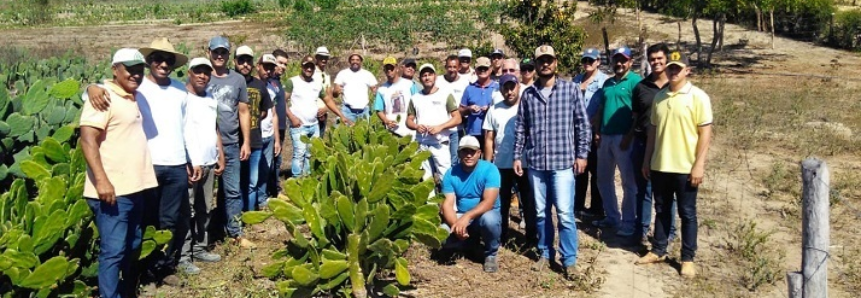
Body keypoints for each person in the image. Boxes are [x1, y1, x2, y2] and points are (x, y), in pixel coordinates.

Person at [86, 38, 193, 284]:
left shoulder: (179, 90)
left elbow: (188, 125)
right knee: (146, 222)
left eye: (168, 60)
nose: (163, 63)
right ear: (150, 62)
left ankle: (162, 270)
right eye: (157, 59)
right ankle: (140, 272)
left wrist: (190, 159)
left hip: (176, 163)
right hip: (147, 166)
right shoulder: (138, 86)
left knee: (168, 221)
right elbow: (101, 92)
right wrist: (90, 87)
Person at [80, 48, 158, 298]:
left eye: (139, 70)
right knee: (113, 251)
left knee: (133, 244)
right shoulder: (102, 98)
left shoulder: (133, 96)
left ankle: (124, 292)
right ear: (115, 70)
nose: (136, 74)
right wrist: (102, 181)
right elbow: (87, 139)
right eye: (130, 69)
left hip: (135, 188)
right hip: (112, 192)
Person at [513, 45, 591, 278]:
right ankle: (545, 253)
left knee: (565, 214)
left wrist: (582, 154)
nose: (545, 64)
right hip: (536, 164)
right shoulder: (528, 94)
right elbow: (521, 129)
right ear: (535, 65)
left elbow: (582, 125)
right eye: (541, 61)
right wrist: (517, 155)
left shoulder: (570, 90)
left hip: (563, 163)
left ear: (556, 62)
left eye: (549, 60)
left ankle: (569, 260)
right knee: (540, 213)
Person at [636, 51, 713, 279]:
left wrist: (699, 165)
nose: (672, 72)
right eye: (670, 68)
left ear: (687, 71)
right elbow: (653, 132)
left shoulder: (698, 97)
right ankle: (659, 249)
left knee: (687, 213)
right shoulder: (660, 97)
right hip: (661, 164)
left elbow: (705, 133)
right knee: (661, 209)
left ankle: (687, 258)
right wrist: (647, 159)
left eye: (677, 68)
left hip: (686, 167)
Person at [179, 58, 225, 275]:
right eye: (198, 72)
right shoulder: (181, 97)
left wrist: (220, 154)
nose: (202, 76)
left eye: (206, 73)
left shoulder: (210, 98)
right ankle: (183, 255)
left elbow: (214, 128)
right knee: (187, 211)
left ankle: (200, 247)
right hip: (191, 165)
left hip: (209, 162)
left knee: (204, 209)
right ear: (189, 73)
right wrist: (187, 160)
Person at [206, 36, 253, 248]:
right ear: (208, 52)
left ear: (228, 55)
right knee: (203, 196)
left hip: (232, 143)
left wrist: (246, 141)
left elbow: (244, 111)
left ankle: (235, 232)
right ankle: (206, 234)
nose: (219, 56)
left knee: (232, 190)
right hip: (205, 146)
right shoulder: (201, 76)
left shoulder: (238, 80)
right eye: (215, 52)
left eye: (223, 52)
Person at [592, 46, 642, 238]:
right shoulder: (608, 83)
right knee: (603, 179)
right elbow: (601, 109)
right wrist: (597, 131)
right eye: (616, 60)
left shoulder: (636, 82)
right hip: (605, 137)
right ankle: (612, 216)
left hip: (624, 138)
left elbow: (638, 114)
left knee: (629, 182)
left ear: (630, 62)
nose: (619, 63)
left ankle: (629, 222)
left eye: (623, 60)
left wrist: (630, 136)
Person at [631, 43, 677, 246]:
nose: (656, 62)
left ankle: (669, 232)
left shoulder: (676, 85)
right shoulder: (641, 87)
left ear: (666, 60)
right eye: (653, 59)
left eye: (660, 58)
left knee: (668, 192)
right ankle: (641, 230)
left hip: (669, 146)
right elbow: (635, 117)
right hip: (642, 144)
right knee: (644, 189)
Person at [483, 74, 535, 245]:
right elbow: (489, 138)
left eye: (513, 87)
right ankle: (501, 236)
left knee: (528, 203)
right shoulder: (494, 109)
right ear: (501, 89)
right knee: (501, 203)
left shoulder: (526, 107)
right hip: (501, 165)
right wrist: (488, 164)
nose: (510, 91)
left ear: (519, 87)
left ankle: (532, 239)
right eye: (506, 87)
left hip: (524, 164)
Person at [440, 135, 502, 273]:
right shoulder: (450, 173)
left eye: (472, 152)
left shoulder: (490, 170)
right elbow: (447, 205)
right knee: (442, 233)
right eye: (464, 151)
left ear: (479, 153)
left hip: (484, 214)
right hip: (462, 216)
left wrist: (466, 218)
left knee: (490, 220)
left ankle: (490, 254)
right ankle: (469, 244)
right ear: (459, 153)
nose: (468, 155)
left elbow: (489, 202)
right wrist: (456, 225)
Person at [405, 64, 462, 185]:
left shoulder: (446, 94)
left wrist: (440, 127)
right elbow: (409, 120)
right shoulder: (415, 98)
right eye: (424, 75)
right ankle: (430, 203)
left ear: (435, 76)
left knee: (445, 179)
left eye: (430, 74)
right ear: (420, 78)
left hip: (440, 144)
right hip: (422, 144)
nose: (427, 78)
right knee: (426, 180)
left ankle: (449, 204)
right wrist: (416, 126)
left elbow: (457, 118)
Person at [233, 46, 273, 215]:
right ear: (234, 62)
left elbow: (265, 110)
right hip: (233, 141)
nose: (245, 64)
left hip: (255, 141)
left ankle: (249, 214)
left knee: (252, 181)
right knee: (235, 183)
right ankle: (236, 215)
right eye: (241, 61)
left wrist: (252, 120)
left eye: (248, 61)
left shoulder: (259, 85)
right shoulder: (230, 81)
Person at [572, 48, 608, 219]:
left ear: (598, 62)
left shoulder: (604, 81)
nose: (587, 63)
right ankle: (578, 205)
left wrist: (594, 125)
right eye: (585, 60)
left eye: (591, 60)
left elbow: (603, 107)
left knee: (596, 171)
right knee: (579, 170)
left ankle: (596, 208)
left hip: (595, 132)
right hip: (576, 133)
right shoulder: (576, 80)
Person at [286, 55, 327, 176]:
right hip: (299, 126)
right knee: (299, 153)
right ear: (301, 67)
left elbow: (328, 99)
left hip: (314, 125)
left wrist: (327, 109)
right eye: (306, 66)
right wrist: (292, 117)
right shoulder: (292, 82)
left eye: (311, 67)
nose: (309, 69)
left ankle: (308, 177)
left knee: (311, 153)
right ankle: (297, 180)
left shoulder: (317, 83)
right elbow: (282, 101)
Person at [255, 54, 281, 209]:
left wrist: (277, 139)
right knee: (252, 173)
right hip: (255, 135)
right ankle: (250, 204)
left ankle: (262, 198)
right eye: (265, 67)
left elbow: (274, 114)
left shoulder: (273, 87)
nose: (268, 70)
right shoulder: (249, 84)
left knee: (265, 171)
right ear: (258, 66)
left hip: (269, 134)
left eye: (271, 67)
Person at [436, 55, 470, 166]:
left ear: (459, 67)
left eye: (454, 67)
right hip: (441, 127)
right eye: (449, 67)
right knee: (442, 159)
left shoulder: (465, 82)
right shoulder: (438, 81)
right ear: (445, 67)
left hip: (458, 127)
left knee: (456, 158)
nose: (452, 69)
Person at [459, 57, 498, 151]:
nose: (483, 70)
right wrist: (469, 109)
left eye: (485, 68)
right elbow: (460, 110)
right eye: (480, 68)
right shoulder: (469, 89)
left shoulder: (498, 87)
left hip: (493, 132)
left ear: (491, 69)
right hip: (473, 132)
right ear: (475, 70)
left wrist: (490, 109)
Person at [374, 57, 418, 137]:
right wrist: (386, 121)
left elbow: (418, 103)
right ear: (384, 70)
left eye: (391, 68)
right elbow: (378, 109)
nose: (389, 70)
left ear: (397, 68)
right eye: (387, 68)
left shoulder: (409, 84)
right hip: (392, 131)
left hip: (410, 129)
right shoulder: (381, 89)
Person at [333, 53, 379, 123]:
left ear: (361, 61)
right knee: (344, 132)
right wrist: (336, 91)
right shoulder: (343, 74)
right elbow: (335, 93)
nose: (355, 62)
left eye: (357, 60)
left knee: (364, 132)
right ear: (349, 61)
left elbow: (375, 90)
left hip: (364, 111)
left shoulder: (368, 74)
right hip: (347, 111)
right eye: (353, 60)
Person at [269, 49, 290, 196]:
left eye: (285, 64)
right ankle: (268, 191)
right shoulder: (267, 81)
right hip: (271, 128)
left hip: (281, 127)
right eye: (280, 63)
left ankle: (274, 188)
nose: (282, 67)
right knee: (269, 161)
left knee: (277, 160)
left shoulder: (277, 82)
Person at [313, 46, 334, 135]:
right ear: (316, 58)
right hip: (312, 112)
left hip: (324, 110)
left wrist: (325, 108)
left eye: (325, 58)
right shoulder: (311, 72)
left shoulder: (326, 74)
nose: (324, 60)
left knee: (320, 138)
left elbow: (329, 94)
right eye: (321, 57)